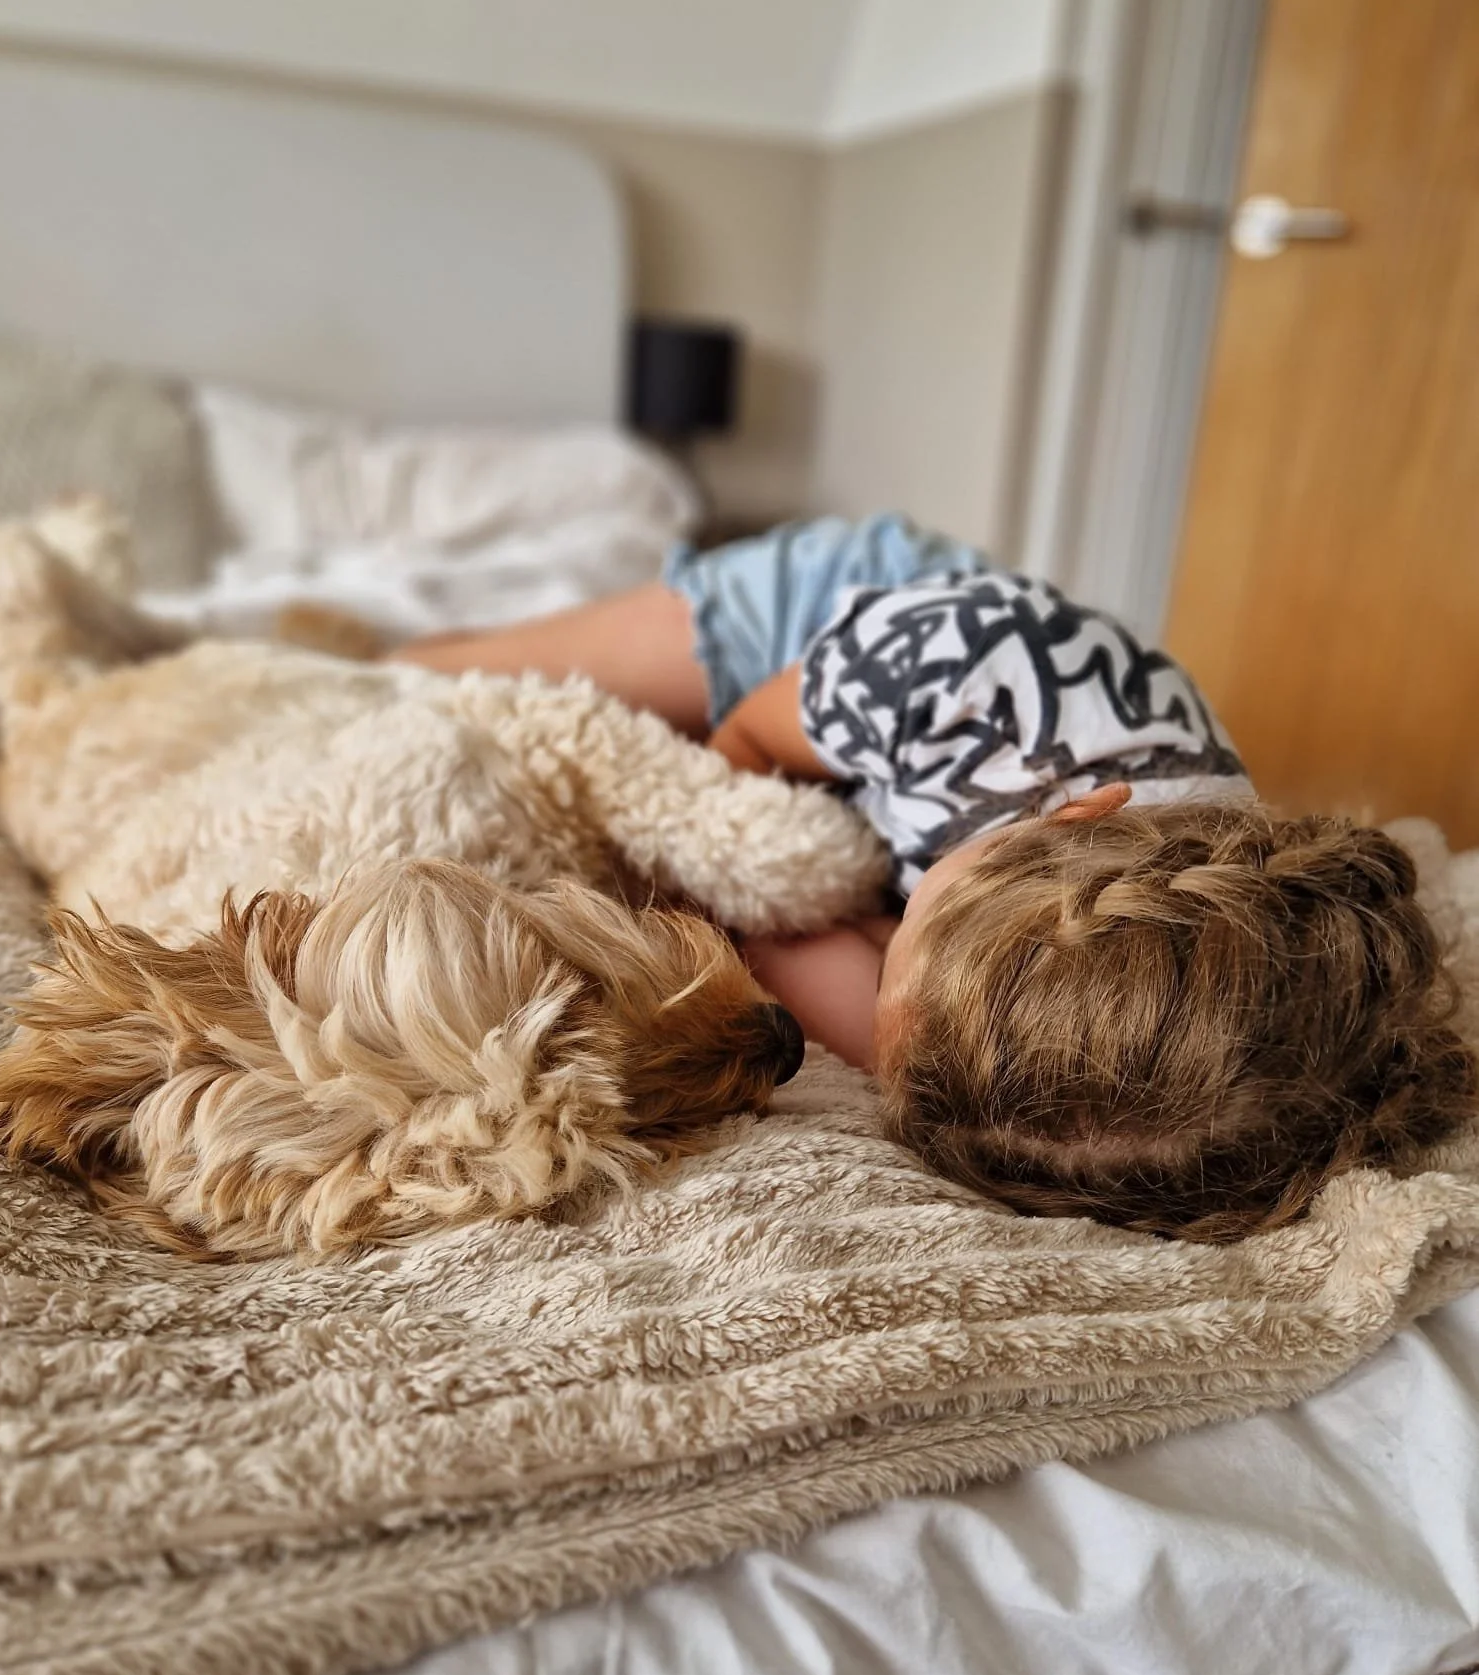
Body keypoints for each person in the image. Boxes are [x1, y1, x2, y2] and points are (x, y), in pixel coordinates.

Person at [394, 514, 1476, 1241]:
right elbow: (741, 758)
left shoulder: (1198, 981)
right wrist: (791, 891)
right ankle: (396, 634)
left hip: (923, 789)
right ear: (1074, 810)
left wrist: (881, 1011)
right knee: (430, 685)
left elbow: (852, 980)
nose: (886, 945)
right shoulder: (956, 670)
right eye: (916, 924)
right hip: (832, 636)